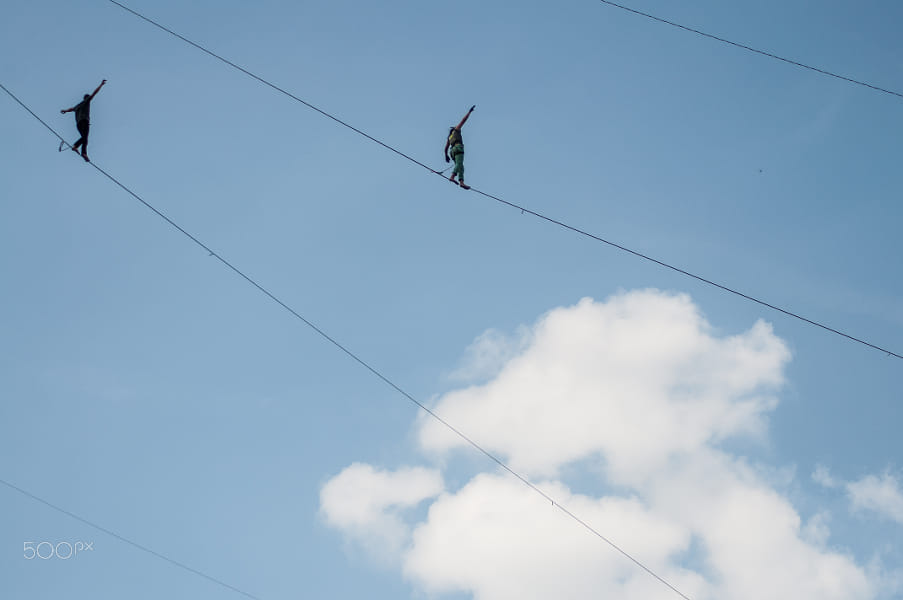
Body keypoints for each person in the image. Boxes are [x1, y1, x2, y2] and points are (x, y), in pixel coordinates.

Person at [61, 79, 106, 162]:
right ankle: (80, 150)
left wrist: (65, 110)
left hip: (78, 124)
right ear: (87, 98)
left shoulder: (78, 105)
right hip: (84, 121)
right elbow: (94, 93)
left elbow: (71, 109)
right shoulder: (86, 101)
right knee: (85, 138)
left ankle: (78, 148)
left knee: (84, 138)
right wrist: (101, 85)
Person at [444, 105, 475, 189]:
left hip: (452, 152)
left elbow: (446, 148)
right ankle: (452, 176)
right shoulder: (456, 130)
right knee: (459, 164)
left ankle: (461, 182)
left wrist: (446, 156)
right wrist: (469, 112)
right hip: (458, 148)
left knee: (460, 166)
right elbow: (463, 120)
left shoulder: (449, 137)